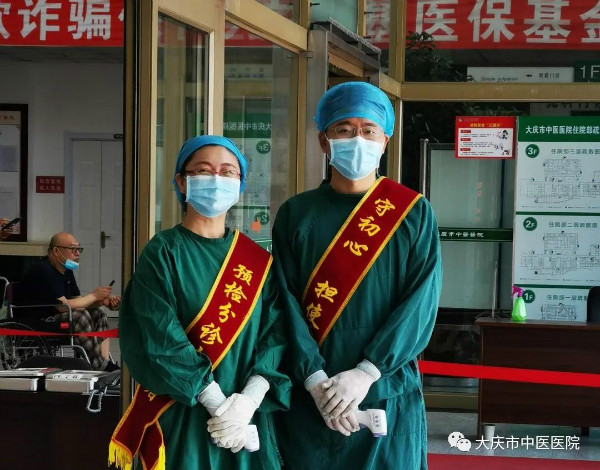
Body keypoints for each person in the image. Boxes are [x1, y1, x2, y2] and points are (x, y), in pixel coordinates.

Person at [272, 81, 442, 470]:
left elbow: (420, 303)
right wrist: (315, 379)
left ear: (385, 141)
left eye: (368, 131)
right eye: (344, 130)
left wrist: (367, 372)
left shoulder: (412, 212)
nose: (357, 139)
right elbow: (283, 300)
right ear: (324, 140)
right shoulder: (297, 214)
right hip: (311, 396)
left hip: (385, 389)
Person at [110, 135, 290, 470]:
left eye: (228, 172)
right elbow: (159, 336)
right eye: (204, 170)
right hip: (185, 411)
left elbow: (275, 336)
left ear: (240, 185)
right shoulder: (163, 252)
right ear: (182, 181)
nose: (217, 179)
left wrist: (248, 402)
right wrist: (217, 404)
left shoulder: (256, 260)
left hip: (244, 420)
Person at [14, 231, 120, 370]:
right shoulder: (44, 270)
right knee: (80, 316)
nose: (77, 253)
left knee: (98, 313)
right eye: (72, 249)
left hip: (54, 316)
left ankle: (105, 361)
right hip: (36, 321)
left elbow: (77, 300)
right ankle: (98, 366)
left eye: (79, 249)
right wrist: (94, 295)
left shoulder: (66, 271)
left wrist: (101, 302)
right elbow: (63, 306)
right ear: (56, 251)